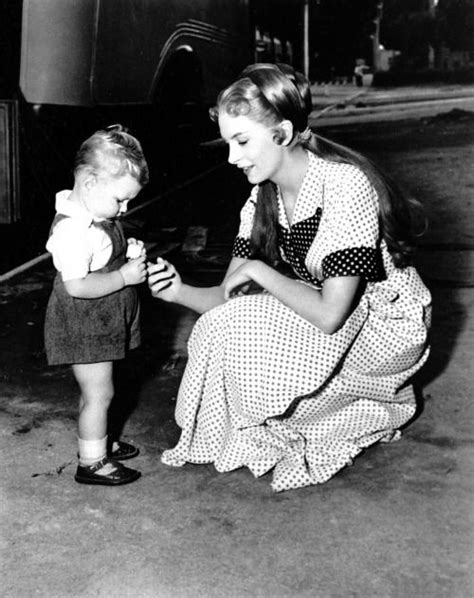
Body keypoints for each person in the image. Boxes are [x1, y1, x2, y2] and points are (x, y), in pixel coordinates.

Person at [147, 63, 431, 492]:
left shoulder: (344, 184)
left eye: (242, 141)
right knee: (218, 327)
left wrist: (260, 271)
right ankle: (319, 402)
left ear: (280, 133)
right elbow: (228, 300)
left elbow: (331, 314)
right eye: (227, 143)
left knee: (268, 348)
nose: (232, 157)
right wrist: (177, 290)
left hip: (383, 326)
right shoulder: (260, 199)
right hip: (326, 304)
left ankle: (360, 397)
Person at [44, 125, 149, 486]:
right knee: (99, 393)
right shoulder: (73, 232)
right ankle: (92, 462)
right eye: (120, 200)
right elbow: (77, 286)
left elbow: (103, 255)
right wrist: (124, 278)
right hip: (84, 324)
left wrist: (126, 254)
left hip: (101, 321)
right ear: (89, 183)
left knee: (98, 392)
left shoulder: (96, 215)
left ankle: (98, 441)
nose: (124, 208)